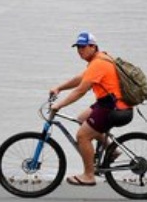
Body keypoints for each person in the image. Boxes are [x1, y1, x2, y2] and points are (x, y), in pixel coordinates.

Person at [49, 31, 133, 187]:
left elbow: (80, 90)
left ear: (93, 46)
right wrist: (59, 88)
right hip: (109, 103)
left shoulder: (98, 64)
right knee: (81, 119)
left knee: (83, 136)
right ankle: (112, 150)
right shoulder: (99, 59)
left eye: (83, 47)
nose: (80, 51)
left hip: (114, 109)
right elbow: (80, 79)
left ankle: (89, 176)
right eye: (78, 48)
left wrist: (59, 105)